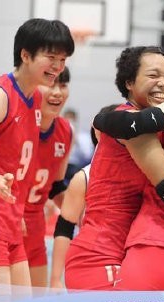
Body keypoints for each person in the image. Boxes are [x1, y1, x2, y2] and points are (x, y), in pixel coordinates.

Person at [63, 46, 164, 290]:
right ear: (129, 82)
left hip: (133, 254)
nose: (163, 83)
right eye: (153, 75)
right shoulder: (134, 125)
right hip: (101, 255)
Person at [0, 18, 74, 288]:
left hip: (11, 222)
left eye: (63, 59)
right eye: (51, 57)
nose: (58, 66)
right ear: (25, 55)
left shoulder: (36, 99)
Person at [50, 104, 118, 289]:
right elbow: (64, 229)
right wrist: (56, 279)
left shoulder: (144, 174)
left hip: (131, 262)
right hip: (94, 262)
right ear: (99, 133)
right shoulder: (84, 177)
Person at [22, 66, 73, 288]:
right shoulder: (17, 123)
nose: (57, 92)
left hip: (35, 229)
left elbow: (56, 186)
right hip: (8, 224)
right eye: (50, 84)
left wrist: (85, 214)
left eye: (63, 85)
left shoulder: (65, 131)